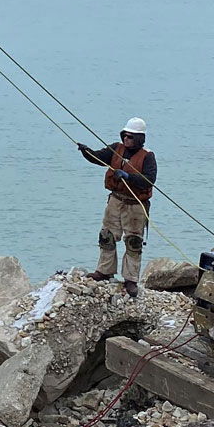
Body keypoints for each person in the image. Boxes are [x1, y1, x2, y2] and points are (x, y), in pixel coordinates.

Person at [76, 118, 158, 295]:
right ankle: (104, 271)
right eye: (125, 135)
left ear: (139, 138)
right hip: (115, 200)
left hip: (135, 205)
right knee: (107, 236)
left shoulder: (148, 156)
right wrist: (86, 151)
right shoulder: (116, 148)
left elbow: (149, 180)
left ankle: (131, 279)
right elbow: (98, 157)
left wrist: (129, 177)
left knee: (133, 242)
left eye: (130, 136)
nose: (126, 139)